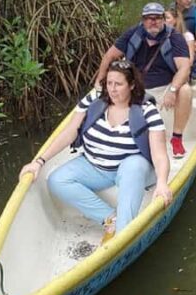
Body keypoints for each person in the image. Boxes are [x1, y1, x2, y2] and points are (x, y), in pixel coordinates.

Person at [19, 61, 172, 244]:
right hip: (94, 166)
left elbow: (160, 153)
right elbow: (69, 132)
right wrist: (39, 161)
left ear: (131, 85)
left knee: (133, 165)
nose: (112, 90)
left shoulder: (147, 110)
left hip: (133, 170)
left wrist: (162, 183)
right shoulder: (94, 100)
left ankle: (123, 236)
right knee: (56, 180)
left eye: (119, 84)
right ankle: (110, 218)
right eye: (109, 83)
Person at [95, 2, 192, 159]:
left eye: (157, 18)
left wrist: (173, 90)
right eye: (148, 18)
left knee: (185, 90)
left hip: (164, 87)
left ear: (163, 20)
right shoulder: (133, 33)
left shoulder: (175, 37)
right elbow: (109, 56)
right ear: (143, 20)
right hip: (135, 87)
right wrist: (99, 81)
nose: (153, 21)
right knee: (111, 90)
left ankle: (176, 138)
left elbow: (184, 68)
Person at [164, 6, 196, 79]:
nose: (164, 21)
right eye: (162, 18)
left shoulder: (187, 36)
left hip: (182, 69)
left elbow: (190, 60)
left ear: (175, 20)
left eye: (167, 18)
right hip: (167, 69)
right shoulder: (160, 36)